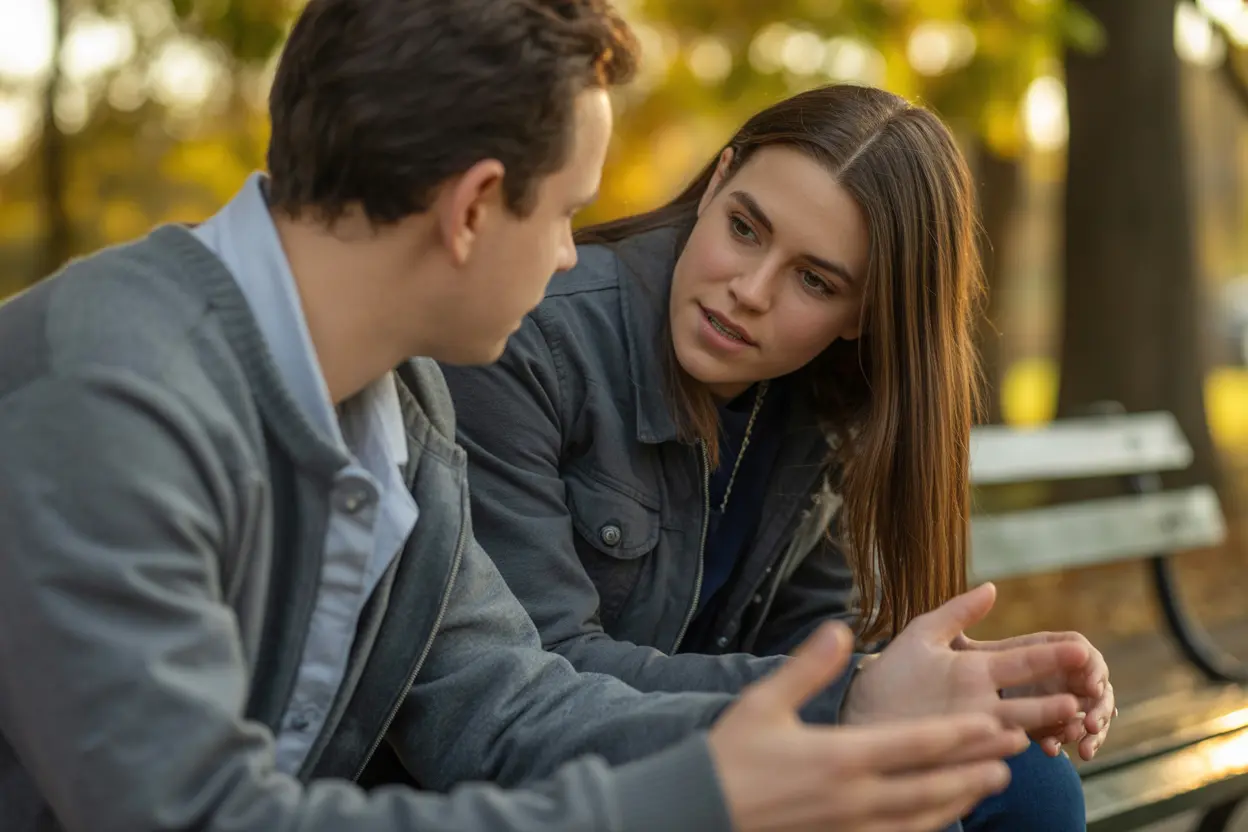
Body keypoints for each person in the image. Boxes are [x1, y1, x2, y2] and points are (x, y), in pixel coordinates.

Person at [0, 3, 1091, 831]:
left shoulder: (399, 408)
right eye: (568, 211)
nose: (580, 253)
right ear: (475, 207)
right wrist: (702, 798)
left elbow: (510, 706)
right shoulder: (109, 392)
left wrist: (854, 709)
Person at [440, 83, 1118, 830]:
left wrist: (972, 681)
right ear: (718, 182)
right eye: (745, 228)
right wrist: (854, 695)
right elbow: (537, 677)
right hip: (563, 783)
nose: (749, 291)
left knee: (1028, 777)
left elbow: (816, 632)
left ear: (864, 313)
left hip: (715, 756)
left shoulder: (824, 402)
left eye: (814, 279)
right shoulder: (531, 343)